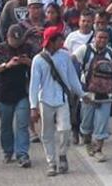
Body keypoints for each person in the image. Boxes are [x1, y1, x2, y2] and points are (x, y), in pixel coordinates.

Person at [29, 26, 88, 176]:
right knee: (47, 133)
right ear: (51, 42)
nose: (62, 41)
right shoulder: (38, 60)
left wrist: (82, 94)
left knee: (65, 129)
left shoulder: (64, 56)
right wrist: (33, 106)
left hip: (62, 98)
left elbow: (72, 78)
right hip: (45, 100)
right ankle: (51, 162)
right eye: (59, 39)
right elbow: (34, 84)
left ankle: (62, 154)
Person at [0, 24, 35, 168]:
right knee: (6, 125)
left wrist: (29, 62)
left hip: (22, 92)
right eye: (13, 40)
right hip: (4, 93)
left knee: (22, 124)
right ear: (7, 37)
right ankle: (8, 151)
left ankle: (22, 154)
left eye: (18, 40)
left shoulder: (28, 48)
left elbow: (40, 65)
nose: (16, 44)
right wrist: (6, 65)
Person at [76, 28, 112, 161]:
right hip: (88, 94)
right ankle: (87, 141)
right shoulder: (84, 50)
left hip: (105, 94)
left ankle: (98, 149)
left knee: (102, 123)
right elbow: (72, 64)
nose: (102, 40)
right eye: (99, 37)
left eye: (105, 38)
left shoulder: (109, 53)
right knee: (86, 124)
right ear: (94, 37)